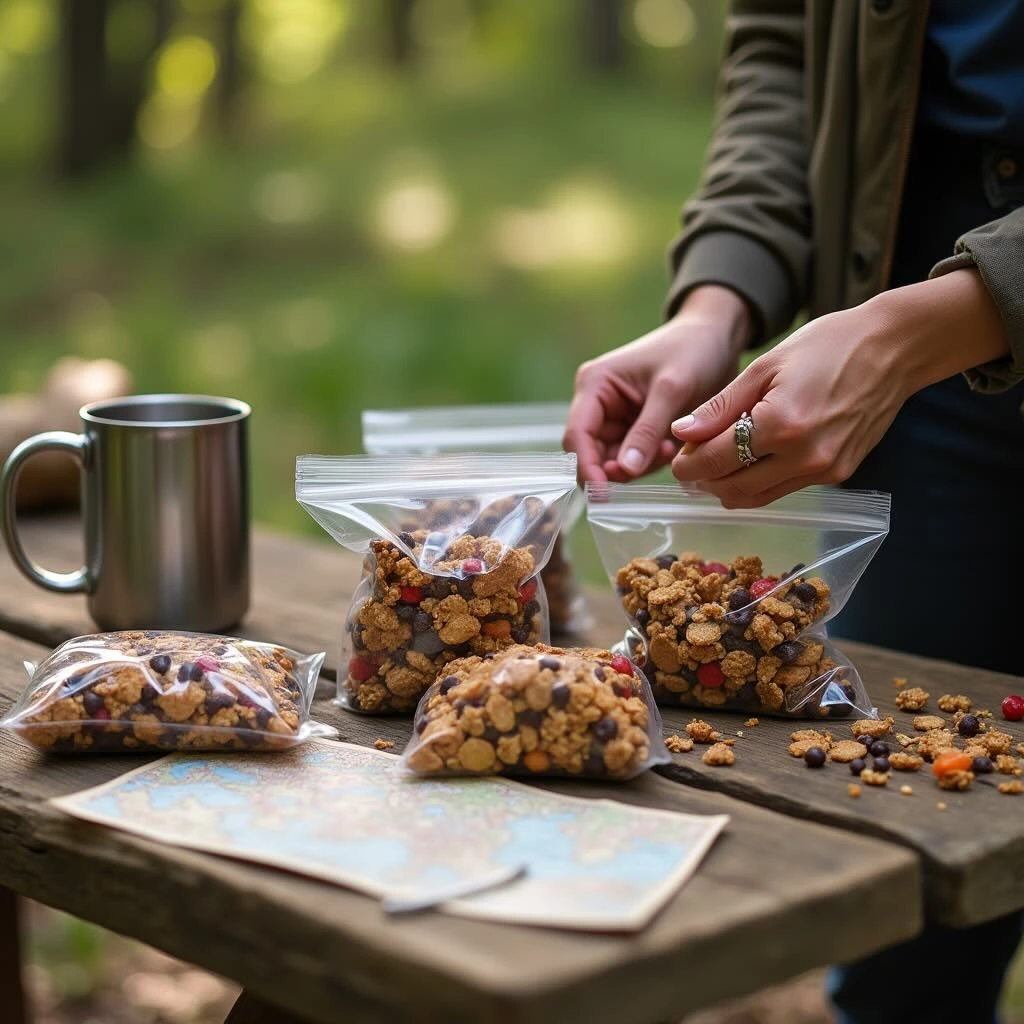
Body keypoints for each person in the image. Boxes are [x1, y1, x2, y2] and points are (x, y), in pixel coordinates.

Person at [563, 2, 1024, 1022]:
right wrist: (718, 298)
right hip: (914, 299)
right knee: (908, 904)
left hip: (924, 321)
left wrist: (959, 313)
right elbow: (787, 43)